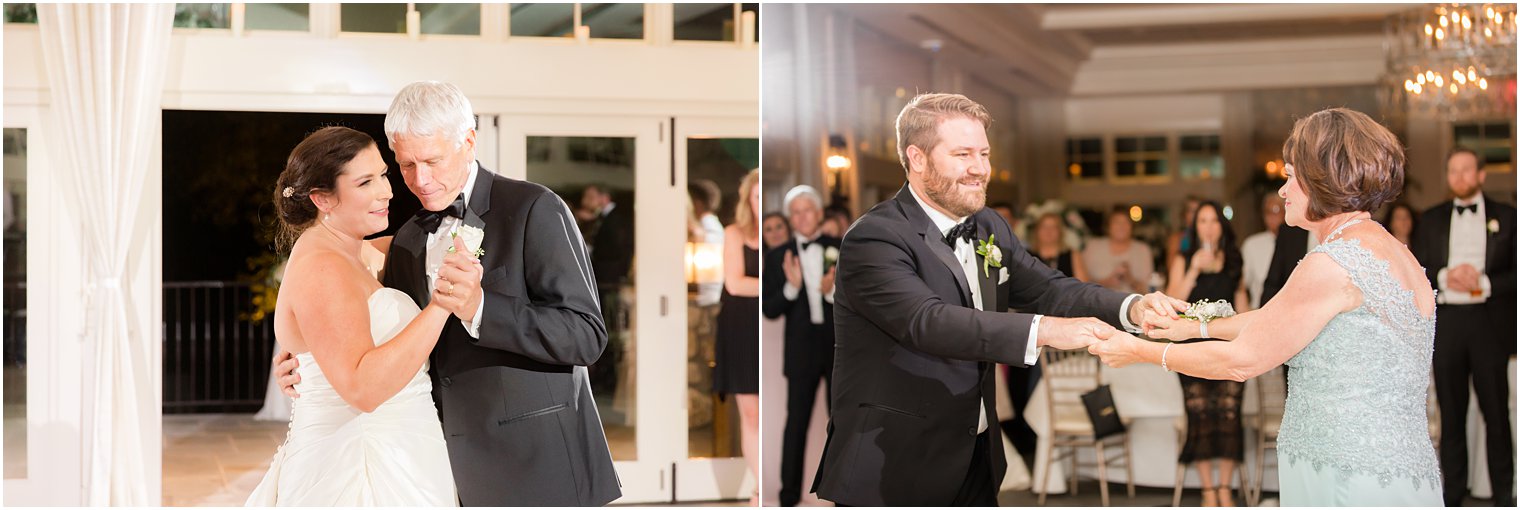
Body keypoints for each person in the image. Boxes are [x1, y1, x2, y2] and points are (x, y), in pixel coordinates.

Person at [812, 92, 1185, 506]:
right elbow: (928, 322)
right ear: (917, 159)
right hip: (894, 459)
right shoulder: (875, 237)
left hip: (975, 453)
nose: (980, 169)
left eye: (984, 153)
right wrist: (1046, 330)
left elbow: (1048, 287)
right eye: (962, 154)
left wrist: (1128, 306)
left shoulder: (987, 224)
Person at [273, 82, 621, 506]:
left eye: (433, 161)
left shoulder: (534, 209)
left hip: (538, 464)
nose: (420, 180)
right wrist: (308, 359)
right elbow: (366, 330)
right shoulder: (407, 239)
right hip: (442, 466)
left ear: (468, 141)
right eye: (405, 165)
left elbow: (585, 336)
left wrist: (480, 308)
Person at [1092, 107, 1442, 506]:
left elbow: (1241, 361)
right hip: (1400, 467)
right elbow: (1278, 320)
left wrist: (1138, 351)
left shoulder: (1332, 262)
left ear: (1321, 177)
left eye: (1290, 175)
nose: (1282, 190)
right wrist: (1194, 326)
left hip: (1343, 475)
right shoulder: (1395, 252)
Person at [246, 126, 463, 506]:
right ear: (322, 199)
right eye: (365, 182)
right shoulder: (323, 267)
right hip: (359, 465)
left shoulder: (358, 253)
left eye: (383, 174)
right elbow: (362, 389)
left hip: (402, 453)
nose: (387, 191)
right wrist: (442, 305)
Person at [1412, 147, 1516, 507]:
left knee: (1496, 413)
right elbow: (1418, 270)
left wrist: (1482, 283)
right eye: (1452, 171)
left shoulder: (1508, 217)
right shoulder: (1430, 218)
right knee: (1451, 416)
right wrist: (1446, 276)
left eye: (1466, 170)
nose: (1459, 177)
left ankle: (1505, 497)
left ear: (1481, 175)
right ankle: (1452, 498)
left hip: (1490, 322)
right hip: (1449, 323)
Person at [1164, 200, 1248, 507]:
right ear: (1194, 226)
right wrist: (1194, 270)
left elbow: (1243, 305)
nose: (1209, 227)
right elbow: (1173, 304)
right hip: (1192, 350)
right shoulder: (1184, 259)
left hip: (1228, 348)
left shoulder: (1234, 259)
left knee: (1228, 414)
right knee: (1199, 415)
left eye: (1214, 221)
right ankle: (1208, 490)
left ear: (1221, 226)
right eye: (1202, 221)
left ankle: (1225, 487)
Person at [762, 184, 839, 507]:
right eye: (795, 212)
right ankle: (788, 497)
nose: (801, 216)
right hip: (801, 350)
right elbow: (770, 308)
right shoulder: (780, 255)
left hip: (839, 348)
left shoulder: (842, 247)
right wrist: (792, 288)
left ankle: (842, 494)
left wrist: (831, 292)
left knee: (843, 422)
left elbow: (862, 301)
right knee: (796, 424)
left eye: (807, 210)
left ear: (819, 214)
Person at [714, 169, 762, 506]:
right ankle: (759, 487)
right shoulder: (733, 232)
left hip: (770, 324)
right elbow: (734, 283)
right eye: (756, 196)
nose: (761, 203)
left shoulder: (779, 235)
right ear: (748, 199)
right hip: (742, 326)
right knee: (751, 412)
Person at [582, 183, 633, 396]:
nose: (586, 200)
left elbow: (617, 253)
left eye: (590, 196)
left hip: (608, 282)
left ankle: (605, 377)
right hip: (603, 281)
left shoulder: (615, 221)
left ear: (603, 197)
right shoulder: (601, 220)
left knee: (608, 328)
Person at [1083, 206, 1154, 296]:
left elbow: (1150, 290)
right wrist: (1106, 282)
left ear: (1132, 226)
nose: (1121, 226)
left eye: (1126, 222)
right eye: (1116, 222)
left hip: (1133, 306)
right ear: (1108, 226)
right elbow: (1081, 283)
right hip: (1098, 305)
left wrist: (1130, 279)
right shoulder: (1093, 246)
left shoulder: (1143, 250)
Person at [1241, 194, 1286, 310]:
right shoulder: (1252, 245)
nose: (1272, 217)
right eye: (1268, 212)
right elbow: (1241, 285)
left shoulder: (1298, 242)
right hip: (1259, 310)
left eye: (1276, 211)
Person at [691, 179, 726, 305]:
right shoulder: (707, 228)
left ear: (697, 203)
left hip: (708, 302)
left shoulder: (709, 231)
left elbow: (711, 278)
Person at [1027, 212, 1089, 282]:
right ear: (1037, 231)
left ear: (1060, 231)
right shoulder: (1026, 256)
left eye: (1053, 227)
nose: (1048, 231)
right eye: (1044, 227)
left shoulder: (1072, 255)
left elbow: (1083, 285)